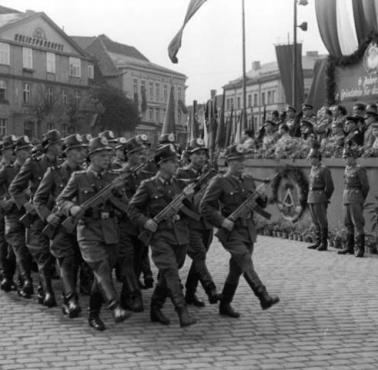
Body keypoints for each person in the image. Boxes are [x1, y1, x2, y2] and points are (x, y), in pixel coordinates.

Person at [56, 136, 131, 330]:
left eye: (109, 154)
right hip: (88, 230)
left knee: (102, 274)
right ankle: (115, 306)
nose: (107, 158)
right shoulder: (79, 177)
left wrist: (114, 192)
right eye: (102, 155)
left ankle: (94, 314)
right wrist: (72, 208)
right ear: (91, 157)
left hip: (110, 230)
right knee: (101, 267)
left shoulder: (114, 178)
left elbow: (126, 206)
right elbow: (61, 200)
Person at [200, 144, 279, 318]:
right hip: (231, 230)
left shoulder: (248, 179)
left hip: (248, 229)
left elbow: (260, 205)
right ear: (228, 162)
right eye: (237, 160)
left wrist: (262, 196)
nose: (242, 163)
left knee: (236, 269)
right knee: (244, 258)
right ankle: (263, 295)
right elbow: (205, 206)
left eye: (243, 160)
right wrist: (222, 221)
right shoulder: (219, 181)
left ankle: (225, 305)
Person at [128, 144, 197, 327]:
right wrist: (145, 222)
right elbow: (132, 209)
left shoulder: (179, 184)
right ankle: (182, 312)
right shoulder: (148, 185)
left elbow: (193, 212)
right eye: (173, 161)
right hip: (160, 235)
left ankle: (155, 308)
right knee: (171, 271)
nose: (177, 164)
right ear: (161, 163)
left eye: (176, 161)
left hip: (179, 235)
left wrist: (189, 197)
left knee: (168, 272)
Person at [33, 134, 87, 318]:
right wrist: (47, 217)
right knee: (66, 261)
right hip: (60, 228)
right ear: (68, 152)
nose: (82, 153)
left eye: (83, 150)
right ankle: (70, 300)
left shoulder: (85, 173)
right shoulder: (54, 172)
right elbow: (38, 199)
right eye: (78, 150)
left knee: (78, 262)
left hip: (81, 227)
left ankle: (72, 295)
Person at [9, 129, 63, 307]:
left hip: (56, 216)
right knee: (42, 254)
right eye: (57, 144)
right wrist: (26, 205)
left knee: (59, 253)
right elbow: (15, 188)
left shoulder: (61, 165)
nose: (60, 146)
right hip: (39, 216)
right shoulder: (33, 164)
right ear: (49, 146)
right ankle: (46, 290)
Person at [176, 138, 219, 307]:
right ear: (189, 156)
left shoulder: (211, 175)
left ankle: (190, 293)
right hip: (189, 223)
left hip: (206, 223)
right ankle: (211, 289)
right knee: (199, 254)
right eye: (197, 154)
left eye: (203, 154)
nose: (201, 158)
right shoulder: (181, 174)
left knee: (199, 258)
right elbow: (177, 199)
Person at [117, 136, 147, 313]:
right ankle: (134, 296)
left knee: (137, 262)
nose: (141, 156)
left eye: (141, 152)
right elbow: (122, 201)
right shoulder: (121, 175)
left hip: (140, 227)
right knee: (127, 261)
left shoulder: (144, 175)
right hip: (124, 225)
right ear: (128, 155)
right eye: (136, 153)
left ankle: (126, 296)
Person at [338, 145, 369, 257]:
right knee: (347, 222)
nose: (344, 159)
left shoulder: (359, 169)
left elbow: (365, 186)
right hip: (346, 197)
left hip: (356, 197)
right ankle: (349, 247)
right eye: (343, 157)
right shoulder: (346, 169)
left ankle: (359, 248)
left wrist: (360, 198)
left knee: (357, 223)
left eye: (346, 156)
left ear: (352, 157)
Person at [307, 144, 334, 251]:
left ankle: (323, 242)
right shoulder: (312, 168)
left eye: (311, 158)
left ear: (317, 158)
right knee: (315, 220)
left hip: (319, 196)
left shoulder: (324, 169)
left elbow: (330, 186)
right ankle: (317, 241)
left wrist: (324, 197)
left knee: (322, 220)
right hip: (311, 196)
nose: (309, 160)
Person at [0, 136, 19, 292]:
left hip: (15, 211)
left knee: (14, 246)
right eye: (10, 149)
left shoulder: (18, 167)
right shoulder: (3, 169)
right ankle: (6, 275)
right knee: (4, 244)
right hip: (4, 210)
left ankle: (15, 276)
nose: (13, 152)